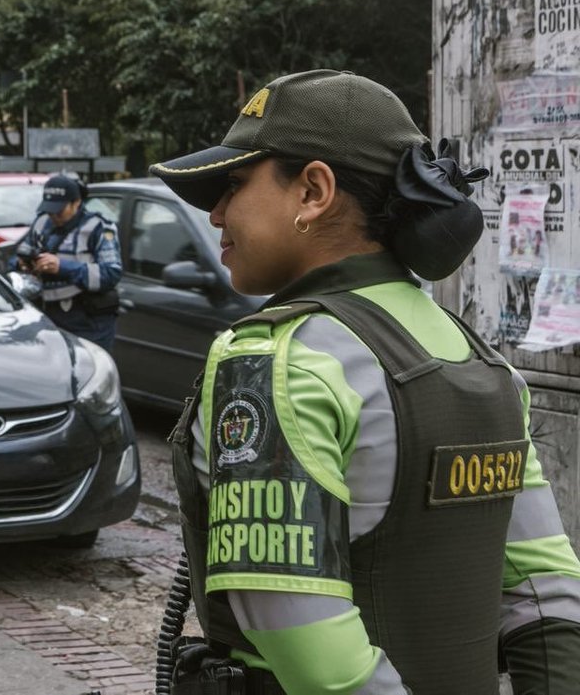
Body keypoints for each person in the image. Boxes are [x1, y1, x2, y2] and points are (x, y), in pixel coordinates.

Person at [149, 69, 580, 694]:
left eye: (235, 184)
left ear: (313, 191)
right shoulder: (483, 361)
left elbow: (315, 653)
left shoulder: (275, 361)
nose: (216, 212)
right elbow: (549, 600)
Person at [9, 173, 123, 351]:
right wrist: (22, 264)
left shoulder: (98, 228)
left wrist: (62, 267)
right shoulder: (41, 223)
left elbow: (111, 273)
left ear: (76, 203)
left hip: (88, 321)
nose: (54, 215)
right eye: (49, 209)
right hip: (47, 317)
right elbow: (18, 255)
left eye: (59, 210)